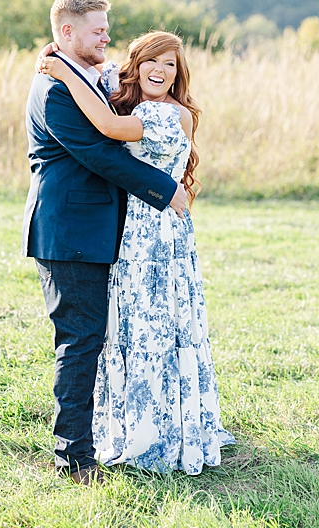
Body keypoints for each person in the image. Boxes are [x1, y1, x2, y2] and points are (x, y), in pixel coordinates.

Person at [38, 30, 235, 475]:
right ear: (137, 64)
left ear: (179, 73)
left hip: (155, 233)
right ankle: (134, 420)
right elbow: (98, 69)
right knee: (132, 326)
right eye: (152, 61)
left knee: (154, 327)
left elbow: (107, 129)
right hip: (133, 228)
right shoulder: (127, 92)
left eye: (170, 65)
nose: (160, 71)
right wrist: (58, 54)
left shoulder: (168, 114)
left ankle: (158, 432)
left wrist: (63, 75)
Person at [23, 0, 188, 484]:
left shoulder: (89, 77)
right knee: (81, 340)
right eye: (98, 29)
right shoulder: (54, 90)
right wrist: (166, 190)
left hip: (101, 232)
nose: (107, 37)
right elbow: (100, 154)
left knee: (97, 337)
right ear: (67, 33)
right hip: (70, 233)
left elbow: (126, 74)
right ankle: (72, 458)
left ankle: (115, 431)